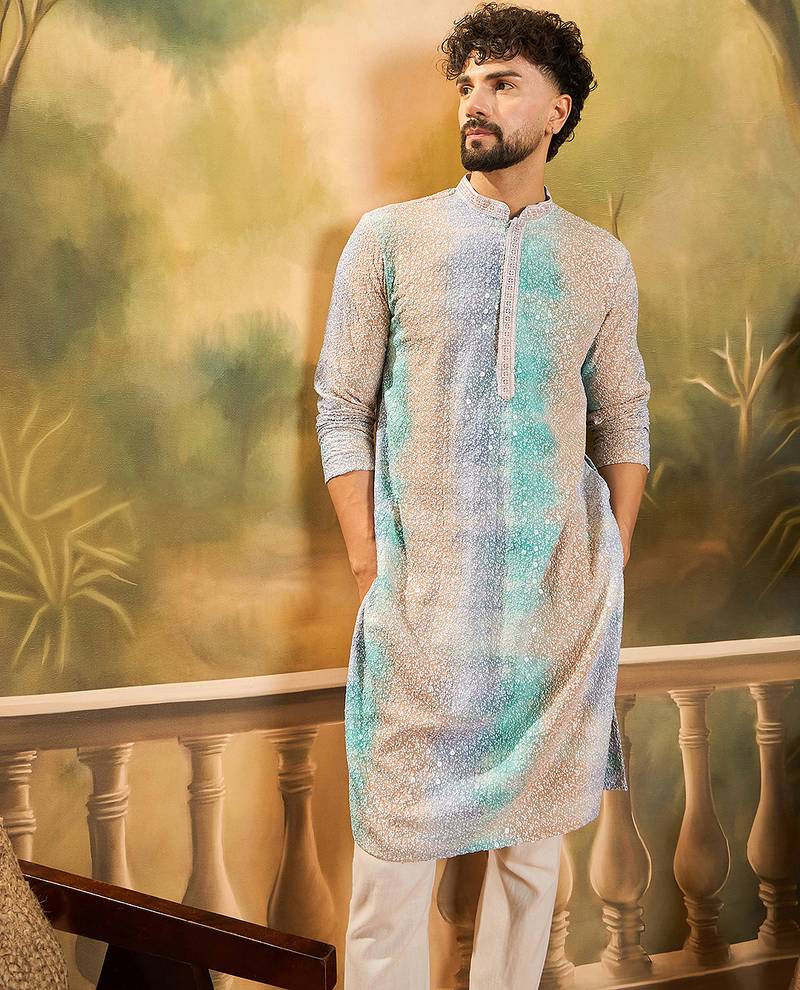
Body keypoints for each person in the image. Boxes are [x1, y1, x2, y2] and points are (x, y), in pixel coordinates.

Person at [313, 3, 651, 987]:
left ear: (557, 110)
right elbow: (341, 407)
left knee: (530, 873)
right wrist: (371, 571)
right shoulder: (389, 239)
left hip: (551, 622)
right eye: (468, 84)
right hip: (420, 616)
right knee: (388, 881)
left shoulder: (597, 261)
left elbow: (624, 418)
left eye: (502, 83)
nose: (475, 101)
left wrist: (608, 563)